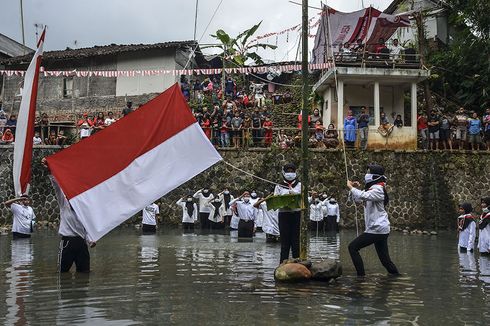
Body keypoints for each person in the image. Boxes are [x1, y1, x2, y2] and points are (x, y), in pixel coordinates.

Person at [41, 158, 95, 272]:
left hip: (81, 243)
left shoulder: (83, 210)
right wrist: (50, 169)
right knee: (62, 273)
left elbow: (87, 228)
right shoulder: (64, 204)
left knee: (85, 273)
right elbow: (56, 187)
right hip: (67, 243)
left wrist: (91, 240)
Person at [347, 164, 400, 277]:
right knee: (385, 261)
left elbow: (362, 195)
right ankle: (396, 277)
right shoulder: (372, 189)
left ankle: (361, 277)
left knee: (353, 247)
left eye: (369, 172)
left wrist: (351, 187)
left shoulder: (379, 189)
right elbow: (358, 198)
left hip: (377, 229)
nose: (367, 174)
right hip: (379, 229)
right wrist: (354, 188)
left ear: (374, 176)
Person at [274, 163, 302, 263]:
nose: (290, 173)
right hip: (284, 214)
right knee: (285, 242)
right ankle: (283, 263)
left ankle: (297, 263)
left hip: (296, 214)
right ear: (284, 173)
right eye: (288, 171)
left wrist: (293, 193)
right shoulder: (279, 186)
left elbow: (302, 198)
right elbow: (275, 199)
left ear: (295, 172)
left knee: (296, 241)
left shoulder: (299, 185)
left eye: (292, 171)